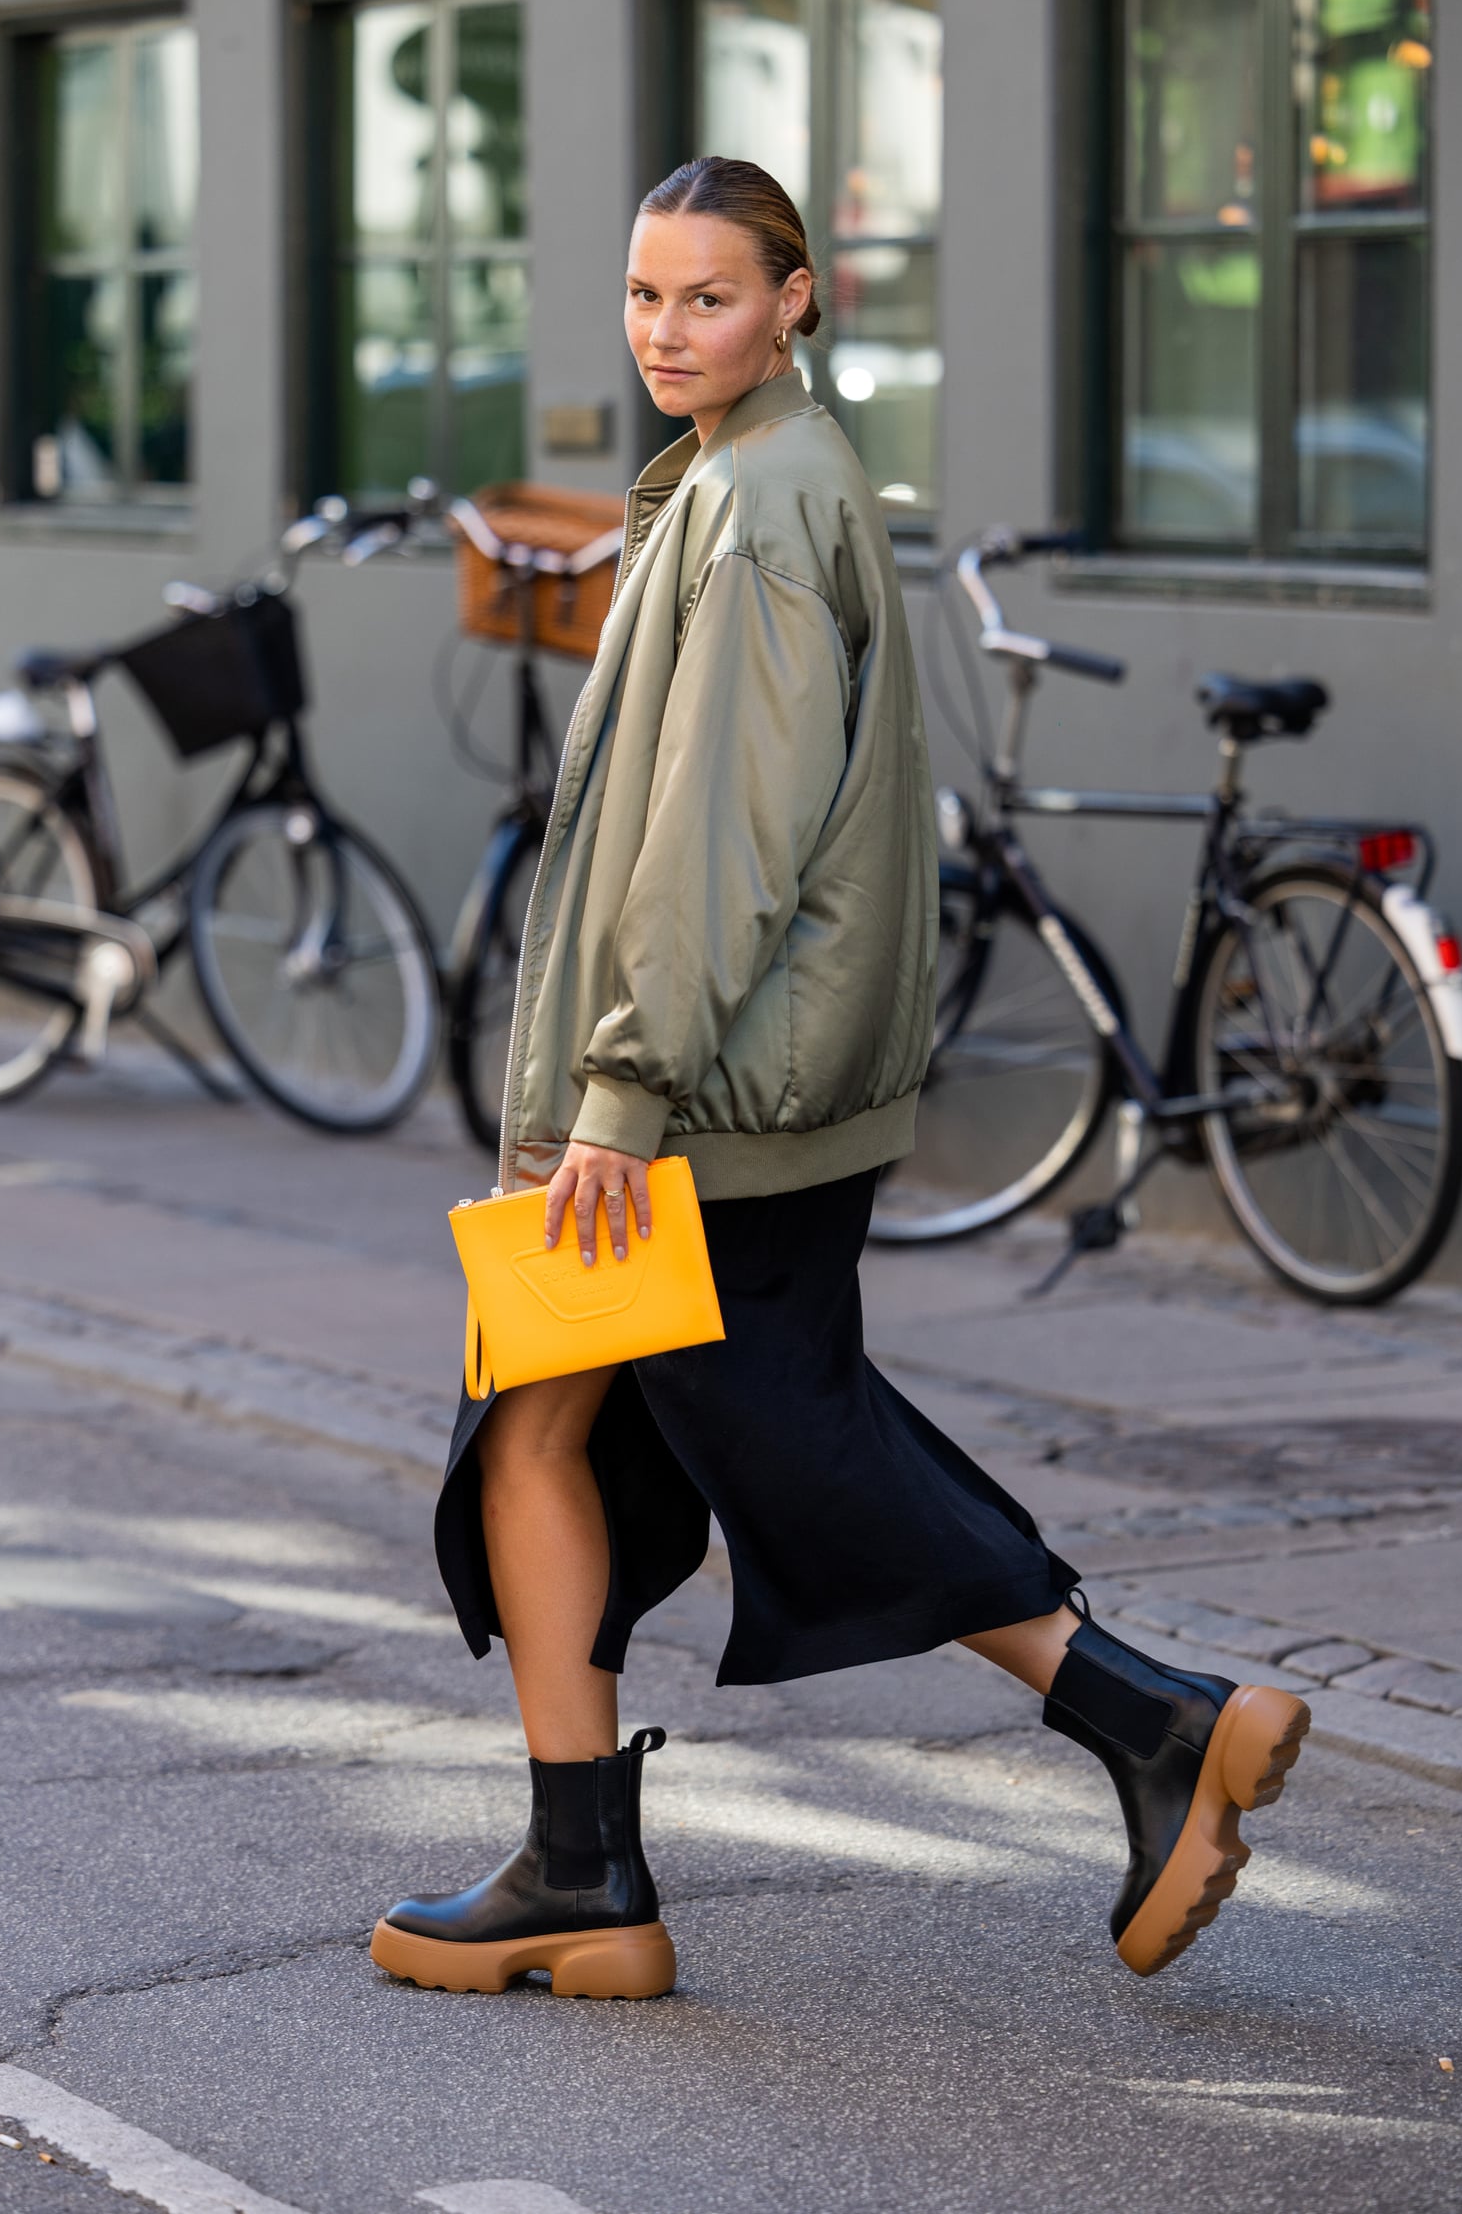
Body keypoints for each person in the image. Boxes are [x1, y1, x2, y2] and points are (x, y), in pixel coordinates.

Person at [371, 157, 1309, 2000]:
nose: (663, 332)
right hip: (693, 1087)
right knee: (543, 1429)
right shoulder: (734, 479)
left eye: (706, 298)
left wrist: (622, 1096)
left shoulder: (766, 507)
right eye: (642, 297)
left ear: (800, 299)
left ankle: (1153, 1720)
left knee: (790, 1440)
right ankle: (582, 1876)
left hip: (697, 1104)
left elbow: (726, 831)